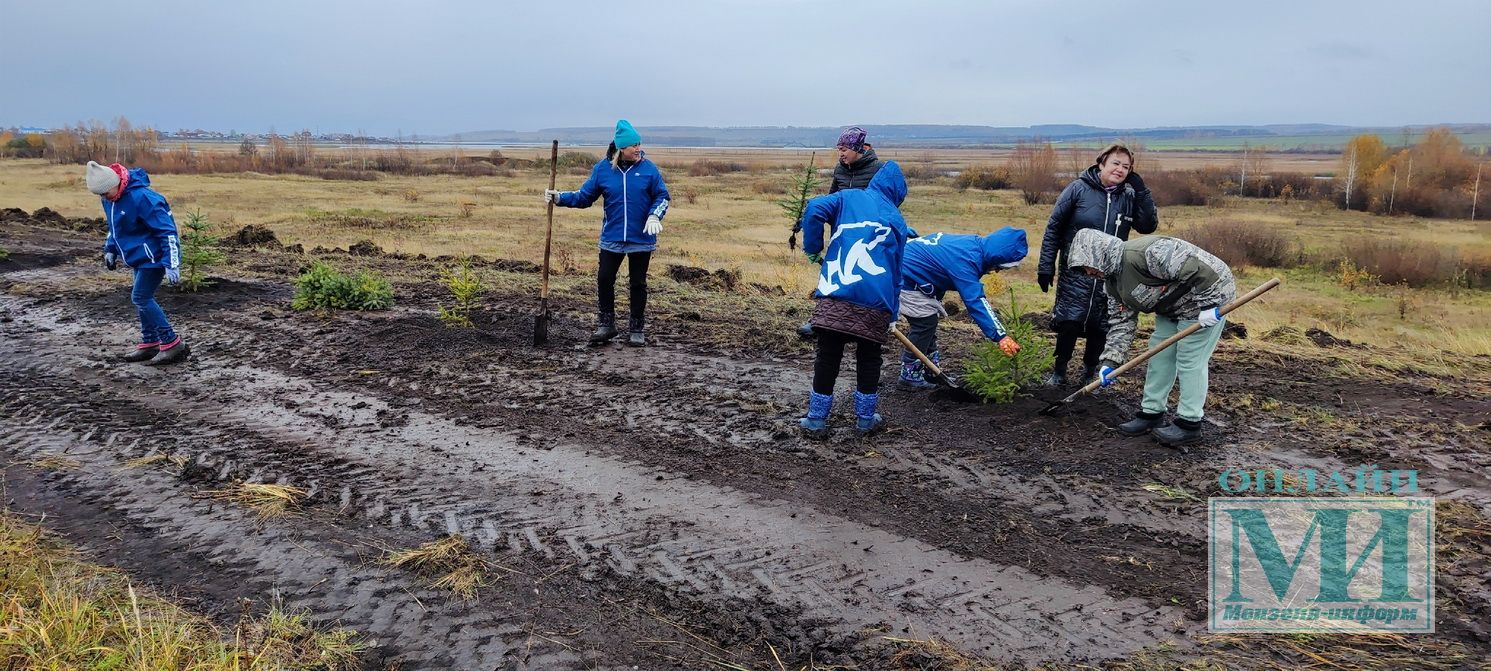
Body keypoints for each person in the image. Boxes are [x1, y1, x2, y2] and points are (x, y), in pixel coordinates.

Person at [1064, 228, 1236, 447]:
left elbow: (1201, 269)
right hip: (1172, 308)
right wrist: (1110, 362)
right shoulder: (1113, 284)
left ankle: (1189, 423)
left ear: (1097, 254)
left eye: (1086, 266)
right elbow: (1121, 323)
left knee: (1190, 359)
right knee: (1160, 355)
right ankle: (1151, 414)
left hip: (1207, 300)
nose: (1088, 273)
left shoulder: (1145, 253)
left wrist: (1211, 305)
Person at [797, 162, 911, 438]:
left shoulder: (849, 196)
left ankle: (816, 420)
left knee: (828, 355)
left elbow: (813, 208)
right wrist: (892, 314)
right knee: (870, 359)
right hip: (876, 302)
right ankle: (865, 420)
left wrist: (813, 247)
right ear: (897, 194)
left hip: (837, 292)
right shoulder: (897, 220)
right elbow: (897, 274)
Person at [1037, 144, 1157, 386]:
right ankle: (1059, 372)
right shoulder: (1078, 189)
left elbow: (1147, 226)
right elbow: (1054, 228)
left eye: (1126, 167)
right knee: (1069, 321)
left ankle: (1089, 373)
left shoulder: (1129, 196)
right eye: (1115, 163)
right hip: (1076, 270)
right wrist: (1045, 266)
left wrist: (1142, 191)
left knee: (1100, 324)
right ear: (1101, 163)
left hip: (1109, 272)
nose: (1120, 169)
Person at [545, 120, 670, 346]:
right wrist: (560, 198)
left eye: (639, 144)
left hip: (641, 239)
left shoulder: (649, 169)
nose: (638, 148)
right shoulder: (603, 170)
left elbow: (662, 197)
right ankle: (606, 325)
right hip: (611, 238)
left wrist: (654, 215)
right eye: (633, 145)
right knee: (604, 280)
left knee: (638, 283)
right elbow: (584, 197)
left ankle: (636, 329)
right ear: (621, 148)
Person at [87, 160, 189, 365]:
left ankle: (172, 343)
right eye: (99, 195)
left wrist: (172, 263)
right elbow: (115, 227)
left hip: (155, 258)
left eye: (104, 192)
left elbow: (167, 231)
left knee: (141, 297)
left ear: (115, 183)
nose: (103, 197)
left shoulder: (144, 198)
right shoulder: (110, 199)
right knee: (142, 298)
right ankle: (150, 342)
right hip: (138, 258)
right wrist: (110, 249)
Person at [896, 228, 1026, 388]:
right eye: (1000, 267)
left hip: (915, 270)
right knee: (924, 324)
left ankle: (931, 369)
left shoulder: (975, 245)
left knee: (929, 324)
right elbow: (975, 301)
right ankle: (909, 374)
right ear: (995, 259)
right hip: (906, 275)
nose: (998, 271)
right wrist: (1000, 336)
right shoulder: (966, 262)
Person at [794, 126, 884, 339]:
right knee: (832, 276)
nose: (841, 153)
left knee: (863, 279)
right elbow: (832, 197)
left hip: (867, 236)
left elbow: (886, 204)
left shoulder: (877, 170)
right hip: (840, 235)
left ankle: (864, 326)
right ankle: (820, 322)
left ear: (857, 148)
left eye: (844, 149)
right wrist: (805, 221)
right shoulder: (841, 169)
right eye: (838, 149)